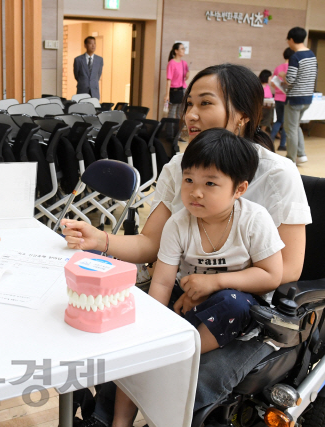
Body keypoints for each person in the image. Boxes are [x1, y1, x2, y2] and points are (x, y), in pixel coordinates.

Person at [64, 64, 310, 427]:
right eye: (189, 103)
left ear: (242, 116)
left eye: (205, 103)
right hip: (182, 292)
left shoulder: (277, 175)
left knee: (187, 379)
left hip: (248, 308)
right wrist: (101, 239)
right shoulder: (181, 165)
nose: (190, 115)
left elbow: (288, 269)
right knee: (124, 357)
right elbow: (152, 243)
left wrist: (214, 283)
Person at [112, 128, 285, 425]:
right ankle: (118, 421)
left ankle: (179, 353)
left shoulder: (254, 220)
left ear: (239, 189)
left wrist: (215, 282)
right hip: (189, 302)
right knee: (133, 345)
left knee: (232, 302)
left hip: (238, 309)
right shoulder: (179, 224)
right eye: (189, 180)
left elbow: (272, 275)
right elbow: (163, 282)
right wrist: (152, 328)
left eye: (210, 183)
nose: (196, 192)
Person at [281, 27, 317, 164]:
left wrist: (283, 76)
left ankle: (291, 159)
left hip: (295, 98)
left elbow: (290, 79)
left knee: (290, 129)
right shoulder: (312, 55)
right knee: (296, 126)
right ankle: (301, 155)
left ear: (291, 39)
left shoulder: (295, 57)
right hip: (307, 98)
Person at [270, 48, 294, 151]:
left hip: (278, 97)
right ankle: (282, 144)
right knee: (286, 122)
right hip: (287, 98)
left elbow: (272, 84)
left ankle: (270, 141)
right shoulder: (292, 68)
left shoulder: (278, 67)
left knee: (279, 120)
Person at [164, 42, 190, 119]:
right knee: (171, 113)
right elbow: (169, 80)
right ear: (176, 51)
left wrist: (188, 73)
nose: (183, 50)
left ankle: (178, 131)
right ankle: (169, 130)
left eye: (184, 48)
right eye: (182, 48)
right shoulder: (171, 63)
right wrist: (167, 95)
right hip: (174, 91)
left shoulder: (184, 63)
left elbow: (185, 78)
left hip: (182, 90)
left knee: (180, 113)